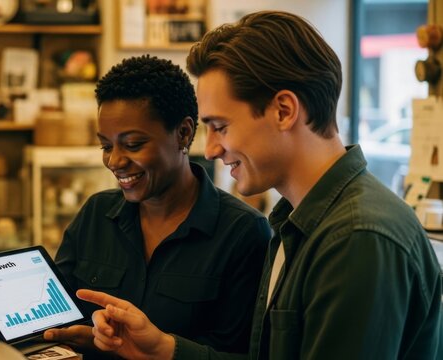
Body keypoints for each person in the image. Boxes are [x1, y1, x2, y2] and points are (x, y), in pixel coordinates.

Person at [78, 11, 442, 359]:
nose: (212, 149)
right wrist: (165, 350)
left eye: (220, 126)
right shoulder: (298, 223)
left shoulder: (357, 237)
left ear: (284, 110)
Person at [0, 55, 271, 356]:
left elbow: (247, 356)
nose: (114, 161)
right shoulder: (97, 214)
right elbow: (54, 313)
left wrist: (164, 349)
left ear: (184, 133)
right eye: (105, 146)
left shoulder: (243, 233)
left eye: (132, 144)